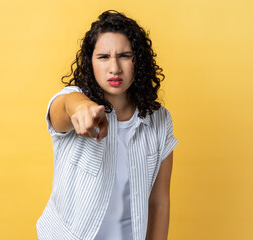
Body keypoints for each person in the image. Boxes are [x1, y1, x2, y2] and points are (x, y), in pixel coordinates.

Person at [36, 10, 178, 240]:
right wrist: (80, 108)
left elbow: (159, 202)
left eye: (124, 55)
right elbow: (63, 107)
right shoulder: (73, 100)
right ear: (90, 62)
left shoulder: (160, 120)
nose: (114, 68)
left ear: (137, 60)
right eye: (103, 57)